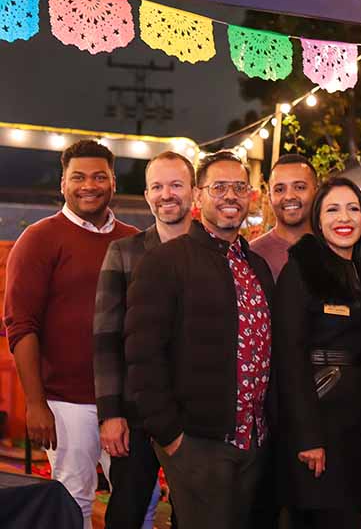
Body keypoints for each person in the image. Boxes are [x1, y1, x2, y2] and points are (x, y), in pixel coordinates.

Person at [125, 150, 275, 529]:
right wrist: (172, 437)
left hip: (254, 440)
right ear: (198, 196)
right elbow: (142, 355)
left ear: (250, 196)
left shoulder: (255, 265)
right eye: (218, 187)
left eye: (239, 187)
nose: (230, 196)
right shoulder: (165, 261)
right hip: (197, 441)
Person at [3, 139, 138, 529]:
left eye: (100, 176)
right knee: (72, 500)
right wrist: (35, 403)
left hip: (125, 403)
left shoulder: (133, 239)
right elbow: (21, 325)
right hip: (65, 402)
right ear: (63, 183)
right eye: (78, 177)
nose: (89, 185)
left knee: (135, 499)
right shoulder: (39, 238)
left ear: (114, 182)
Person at [272, 177, 361, 529]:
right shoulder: (303, 269)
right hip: (319, 418)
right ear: (318, 221)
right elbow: (289, 356)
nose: (345, 218)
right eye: (333, 209)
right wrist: (308, 436)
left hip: (358, 419)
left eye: (354, 208)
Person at [94, 151, 194, 528]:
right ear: (147, 194)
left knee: (192, 512)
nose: (166, 194)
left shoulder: (213, 252)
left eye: (175, 185)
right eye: (157, 186)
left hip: (195, 413)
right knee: (127, 509)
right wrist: (111, 414)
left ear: (193, 192)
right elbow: (105, 338)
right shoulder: (123, 252)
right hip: (134, 413)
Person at [251, 154, 319, 278]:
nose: (289, 196)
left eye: (299, 187)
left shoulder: (335, 247)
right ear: (269, 197)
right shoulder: (252, 256)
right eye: (279, 189)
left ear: (317, 192)